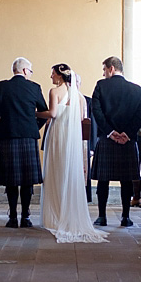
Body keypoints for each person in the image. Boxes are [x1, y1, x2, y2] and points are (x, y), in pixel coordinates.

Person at [38, 63, 107, 243]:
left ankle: (54, 216)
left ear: (60, 76)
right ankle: (69, 213)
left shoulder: (55, 92)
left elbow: (52, 113)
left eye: (52, 74)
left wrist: (36, 113)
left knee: (55, 172)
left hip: (58, 134)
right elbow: (82, 121)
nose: (51, 77)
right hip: (72, 139)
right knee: (69, 172)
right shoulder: (80, 97)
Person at [0, 57, 48, 227]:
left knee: (11, 179)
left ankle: (13, 217)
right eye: (30, 71)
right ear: (24, 71)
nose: (30, 74)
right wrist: (33, 127)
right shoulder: (34, 87)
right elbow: (44, 112)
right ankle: (26, 217)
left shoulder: (0, 87)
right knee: (27, 180)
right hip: (28, 138)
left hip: (7, 137)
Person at [91, 56, 141, 227]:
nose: (104, 73)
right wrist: (127, 134)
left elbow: (96, 111)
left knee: (103, 180)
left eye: (104, 70)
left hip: (107, 140)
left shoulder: (101, 85)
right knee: (127, 180)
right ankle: (125, 217)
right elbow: (140, 115)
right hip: (128, 142)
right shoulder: (136, 90)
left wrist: (110, 132)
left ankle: (102, 216)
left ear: (111, 68)